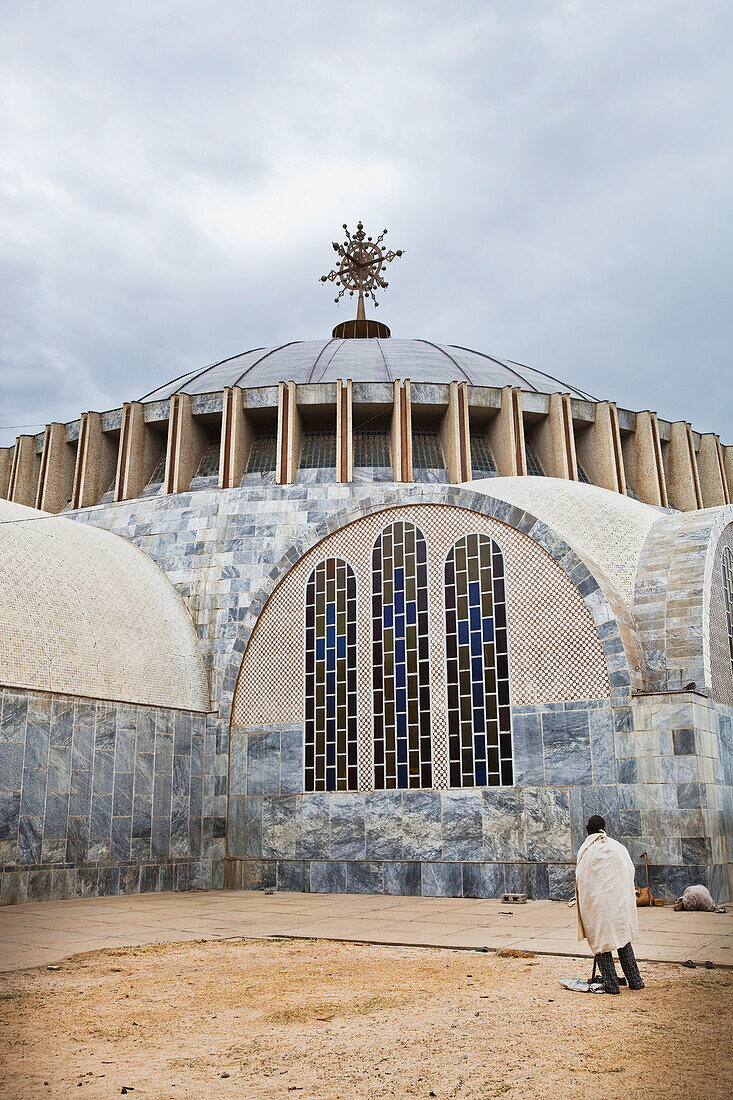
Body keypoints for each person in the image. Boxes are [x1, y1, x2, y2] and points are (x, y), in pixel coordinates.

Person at [575, 815, 645, 994]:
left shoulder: (586, 850)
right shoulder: (617, 847)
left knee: (602, 944)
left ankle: (612, 985)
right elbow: (629, 871)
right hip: (619, 902)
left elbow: (582, 879)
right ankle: (635, 981)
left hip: (599, 905)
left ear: (587, 829)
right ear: (603, 828)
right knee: (623, 941)